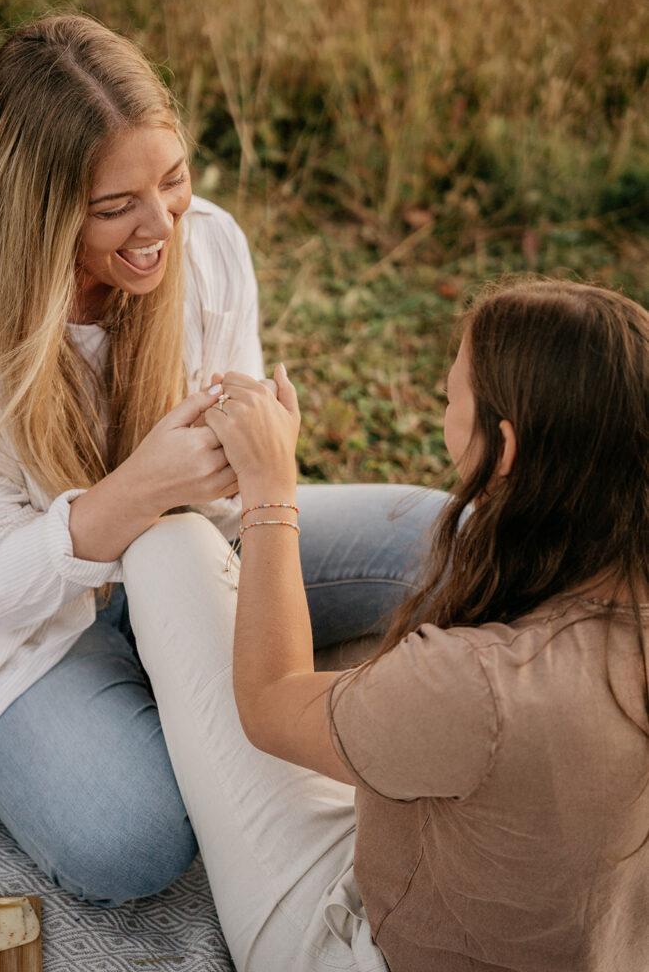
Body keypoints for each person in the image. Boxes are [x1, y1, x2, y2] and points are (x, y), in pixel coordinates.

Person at [0, 13, 448, 906]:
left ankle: (178, 686)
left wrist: (255, 457)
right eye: (115, 206)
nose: (162, 224)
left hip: (189, 554)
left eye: (174, 179)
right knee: (130, 836)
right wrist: (140, 488)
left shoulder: (211, 246)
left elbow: (222, 517)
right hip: (31, 631)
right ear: (37, 209)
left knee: (444, 536)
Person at [121, 281, 649, 971]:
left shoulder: (478, 683)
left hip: (362, 947)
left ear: (505, 447)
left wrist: (270, 490)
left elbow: (269, 704)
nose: (441, 405)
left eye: (449, 396)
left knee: (170, 550)